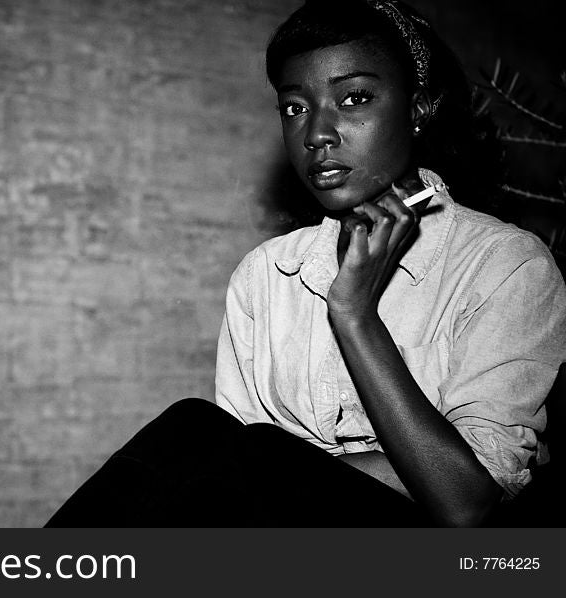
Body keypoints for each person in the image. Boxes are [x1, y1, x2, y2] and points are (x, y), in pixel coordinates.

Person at [46, 0, 566, 527]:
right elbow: (235, 487)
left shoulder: (505, 265)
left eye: (354, 98)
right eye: (295, 107)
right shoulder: (266, 275)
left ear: (417, 110)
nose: (317, 133)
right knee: (196, 439)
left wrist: (354, 314)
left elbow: (465, 502)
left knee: (194, 440)